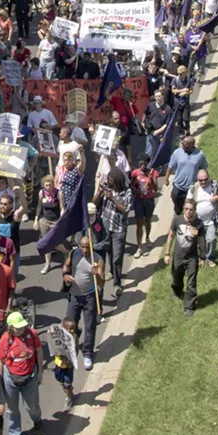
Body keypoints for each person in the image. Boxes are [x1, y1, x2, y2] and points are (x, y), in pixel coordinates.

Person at [0, 312, 43, 435]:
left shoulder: (32, 334)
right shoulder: (5, 339)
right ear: (10, 328)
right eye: (18, 328)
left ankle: (37, 418)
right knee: (12, 409)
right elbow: (0, 359)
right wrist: (0, 381)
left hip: (30, 378)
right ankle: (14, 433)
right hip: (11, 379)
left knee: (32, 405)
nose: (22, 330)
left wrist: (40, 372)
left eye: (23, 327)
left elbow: (39, 351)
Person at [62, 236, 105, 371]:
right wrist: (65, 276)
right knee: (68, 324)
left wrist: (96, 274)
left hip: (89, 297)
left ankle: (87, 353)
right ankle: (69, 350)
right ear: (79, 245)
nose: (85, 249)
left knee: (90, 326)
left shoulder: (97, 259)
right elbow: (65, 266)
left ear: (92, 246)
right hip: (74, 296)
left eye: (87, 247)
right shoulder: (73, 253)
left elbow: (102, 283)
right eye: (83, 246)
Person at [93, 167, 132, 300]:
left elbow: (125, 210)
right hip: (105, 228)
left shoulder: (127, 192)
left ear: (118, 181)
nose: (109, 182)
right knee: (108, 251)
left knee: (117, 257)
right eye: (108, 180)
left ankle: (117, 283)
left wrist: (113, 199)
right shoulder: (106, 190)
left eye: (112, 180)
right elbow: (94, 204)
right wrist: (99, 193)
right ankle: (112, 272)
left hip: (118, 229)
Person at [163, 199, 206, 318]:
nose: (188, 212)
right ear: (183, 209)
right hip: (178, 256)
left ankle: (189, 307)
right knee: (177, 278)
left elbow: (201, 240)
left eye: (191, 209)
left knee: (191, 282)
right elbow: (171, 236)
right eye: (186, 209)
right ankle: (177, 291)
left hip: (192, 258)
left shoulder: (199, 224)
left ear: (195, 210)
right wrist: (167, 253)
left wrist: (203, 257)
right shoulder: (177, 220)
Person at [186, 169, 218, 266]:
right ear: (197, 180)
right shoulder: (194, 187)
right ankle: (200, 257)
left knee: (211, 239)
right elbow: (188, 201)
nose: (203, 182)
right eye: (200, 180)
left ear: (208, 178)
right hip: (196, 221)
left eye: (205, 179)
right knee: (195, 239)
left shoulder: (215, 185)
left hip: (211, 220)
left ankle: (210, 258)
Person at [164, 136, 208, 216]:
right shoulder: (177, 152)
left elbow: (203, 169)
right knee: (175, 198)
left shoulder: (200, 155)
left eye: (185, 145)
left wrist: (205, 181)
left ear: (192, 145)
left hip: (191, 187)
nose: (183, 146)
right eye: (182, 143)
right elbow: (170, 166)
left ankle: (187, 218)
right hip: (178, 184)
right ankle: (178, 210)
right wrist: (166, 178)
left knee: (190, 205)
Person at [33, 176, 64, 275]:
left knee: (54, 241)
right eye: (46, 185)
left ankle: (66, 251)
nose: (48, 187)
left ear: (53, 185)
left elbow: (62, 208)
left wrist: (62, 219)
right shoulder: (42, 193)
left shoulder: (59, 193)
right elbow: (39, 207)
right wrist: (36, 219)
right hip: (44, 221)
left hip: (55, 221)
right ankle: (47, 264)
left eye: (49, 185)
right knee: (46, 242)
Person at [131, 155, 159, 257]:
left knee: (147, 220)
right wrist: (137, 192)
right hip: (139, 200)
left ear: (148, 163)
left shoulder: (153, 173)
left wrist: (150, 180)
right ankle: (139, 247)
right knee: (139, 223)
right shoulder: (135, 173)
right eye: (141, 163)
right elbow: (132, 186)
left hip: (149, 200)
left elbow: (156, 189)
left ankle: (147, 237)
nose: (143, 166)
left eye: (145, 164)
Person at [50, 318, 79, 412]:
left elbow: (76, 350)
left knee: (67, 383)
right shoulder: (58, 336)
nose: (71, 331)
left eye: (73, 329)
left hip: (69, 366)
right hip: (59, 364)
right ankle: (68, 390)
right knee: (60, 380)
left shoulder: (74, 338)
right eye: (69, 329)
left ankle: (69, 399)